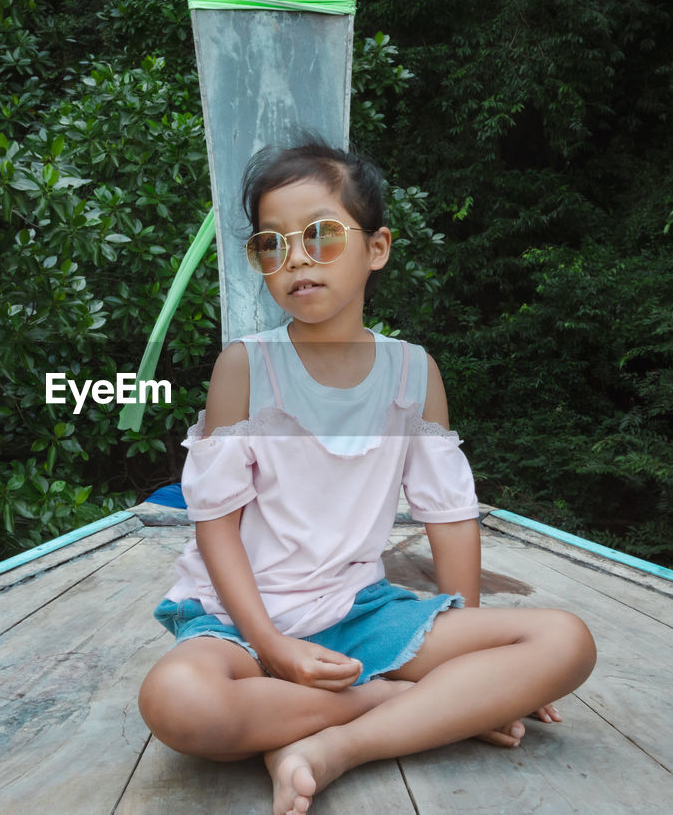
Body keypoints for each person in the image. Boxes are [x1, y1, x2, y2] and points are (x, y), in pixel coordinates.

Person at [138, 139, 597, 815]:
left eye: (320, 236)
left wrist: (461, 650)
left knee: (566, 640)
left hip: (358, 612)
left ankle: (334, 746)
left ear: (376, 247)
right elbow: (216, 527)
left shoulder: (413, 372)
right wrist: (273, 645)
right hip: (239, 622)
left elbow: (448, 515)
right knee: (176, 702)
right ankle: (405, 707)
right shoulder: (245, 367)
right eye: (272, 243)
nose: (295, 257)